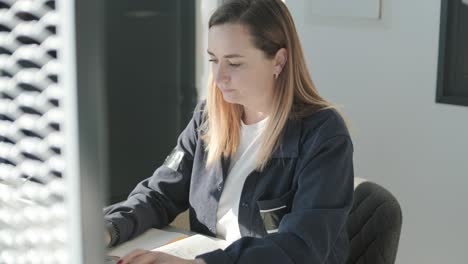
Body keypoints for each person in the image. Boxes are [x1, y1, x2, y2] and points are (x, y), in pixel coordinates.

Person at [104, 0, 354, 263]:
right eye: (214, 60)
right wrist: (109, 229)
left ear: (279, 61)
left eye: (234, 63)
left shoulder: (323, 135)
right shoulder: (207, 118)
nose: (219, 76)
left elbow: (300, 248)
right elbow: (158, 195)